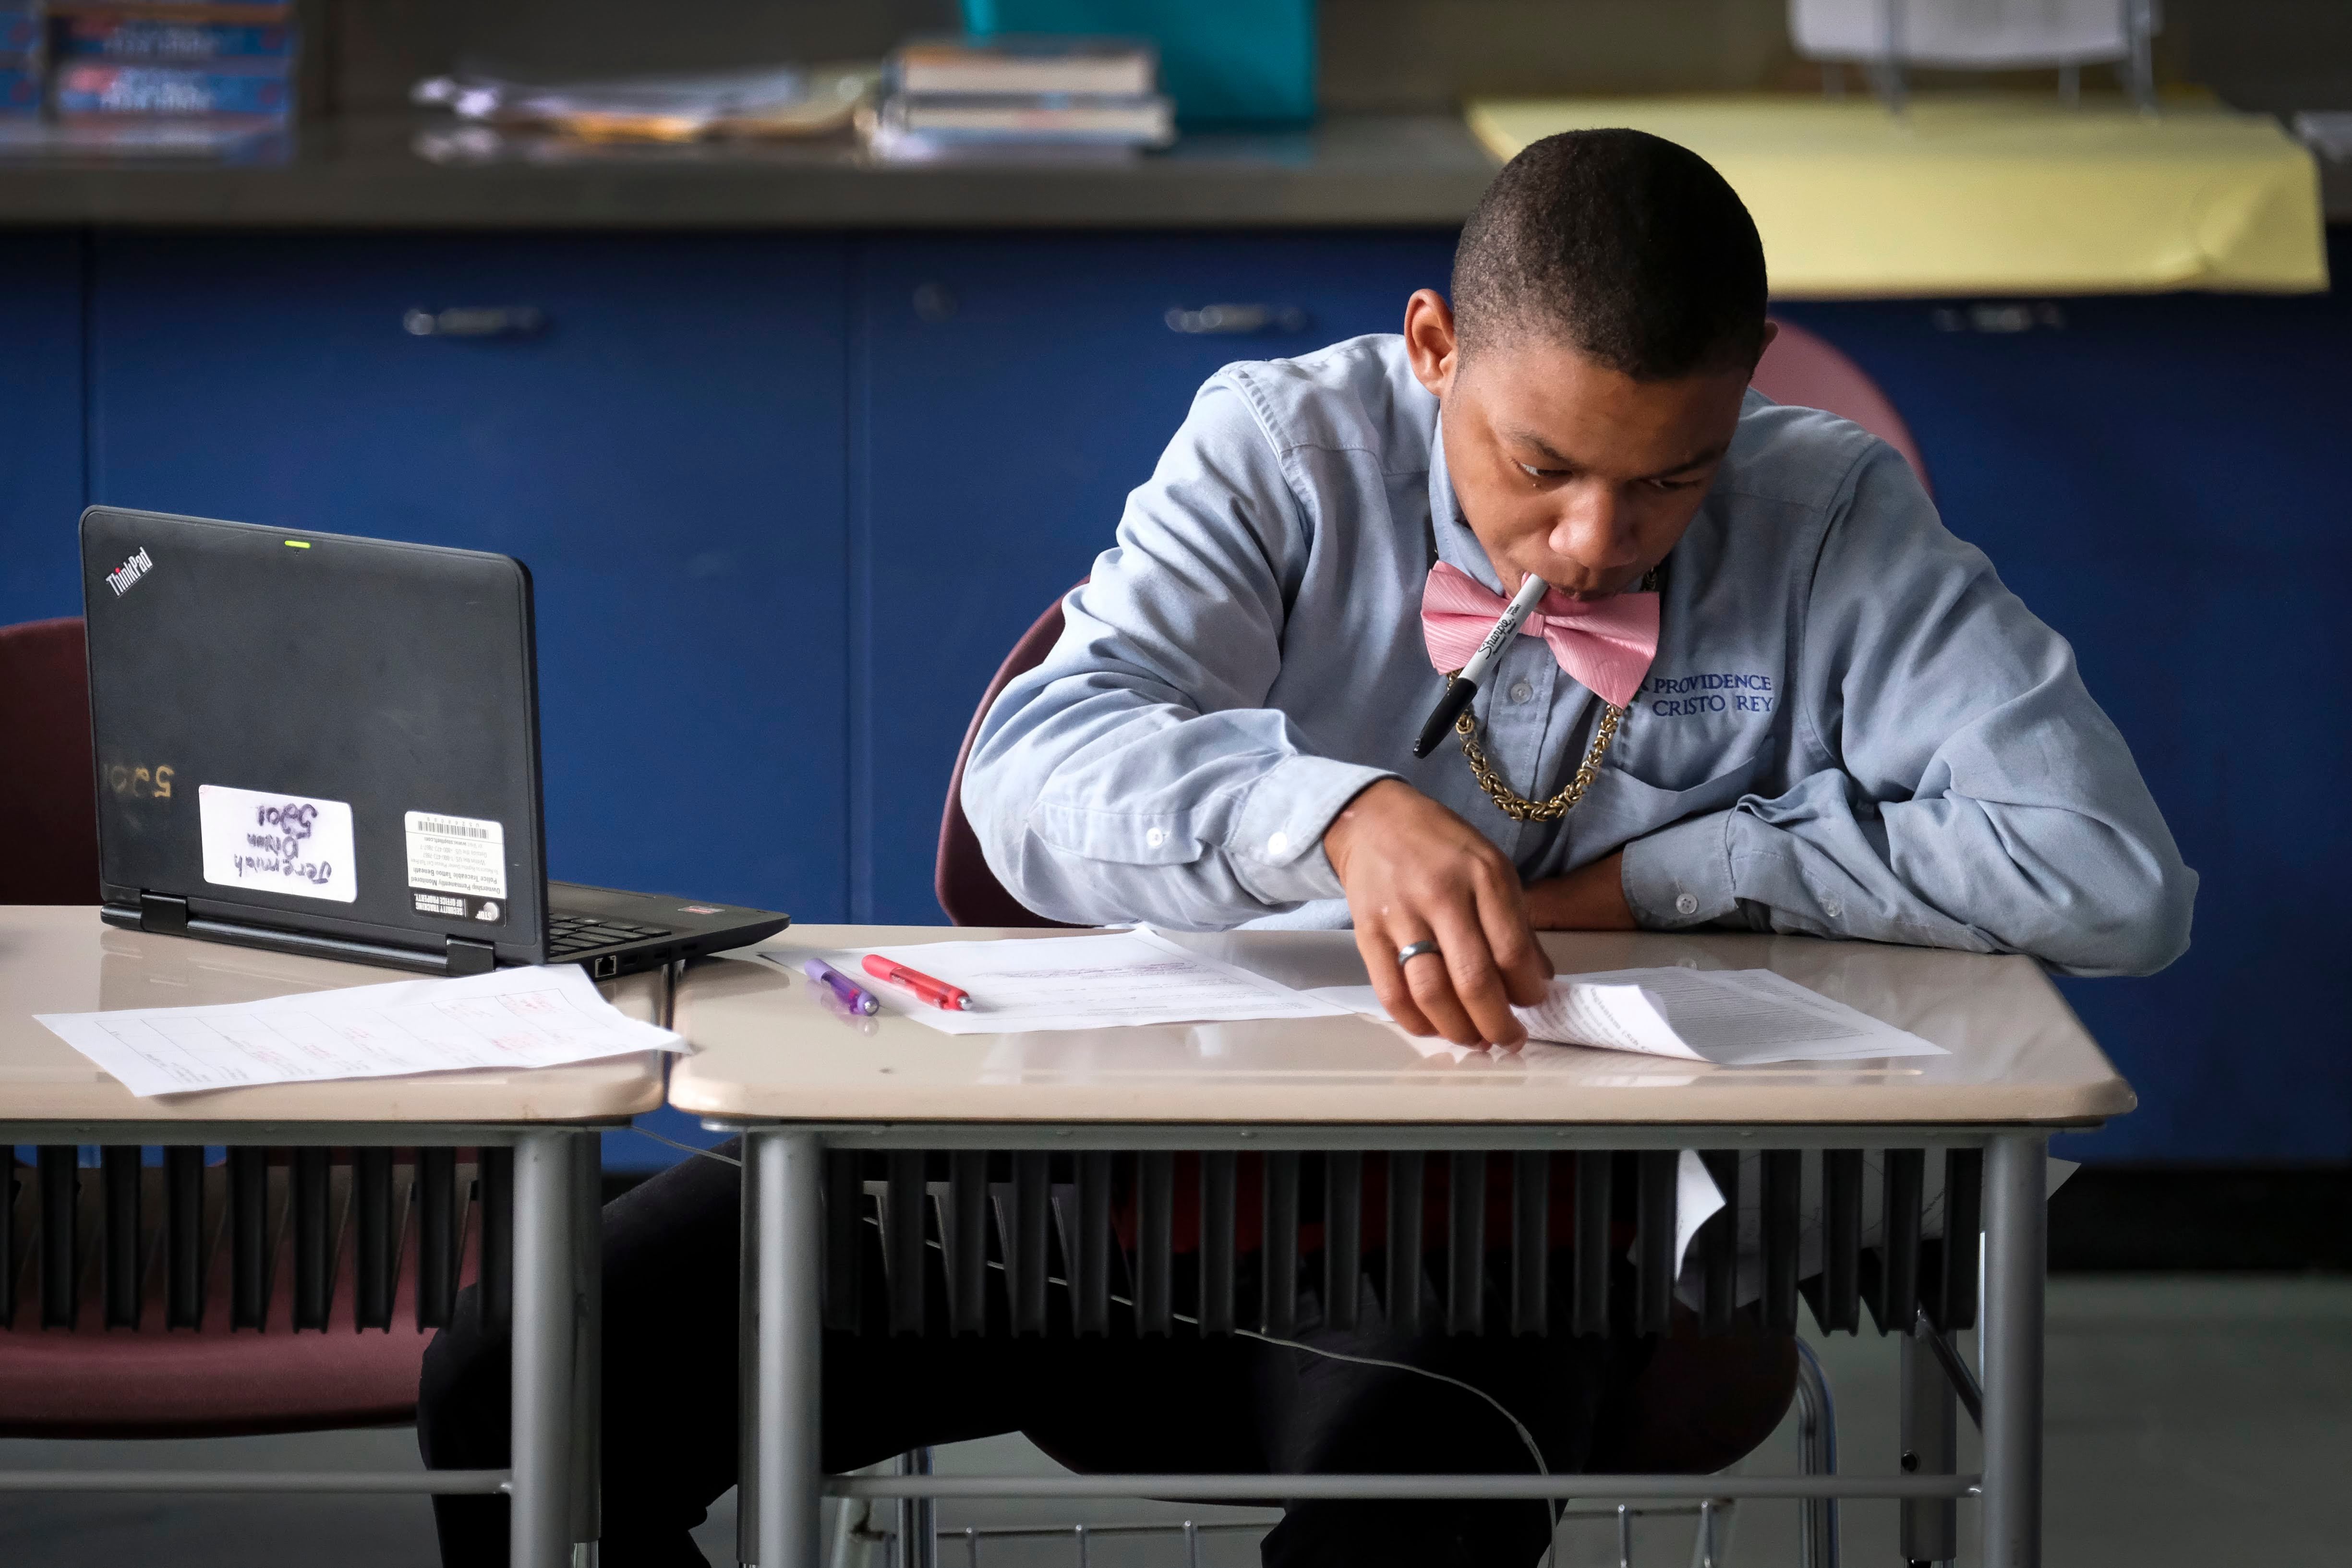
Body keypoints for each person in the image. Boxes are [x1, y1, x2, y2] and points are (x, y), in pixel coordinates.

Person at [418, 129, 2195, 1567]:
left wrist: (1668, 871)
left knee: (1410, 1490)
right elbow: (1033, 772)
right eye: (1543, 462)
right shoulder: (1279, 442)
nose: (1594, 541)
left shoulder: (1828, 516)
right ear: (1432, 348)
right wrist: (1332, 812)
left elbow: (2108, 873)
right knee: (522, 1376)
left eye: (1671, 480)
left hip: (1497, 1237)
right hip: (1098, 1170)